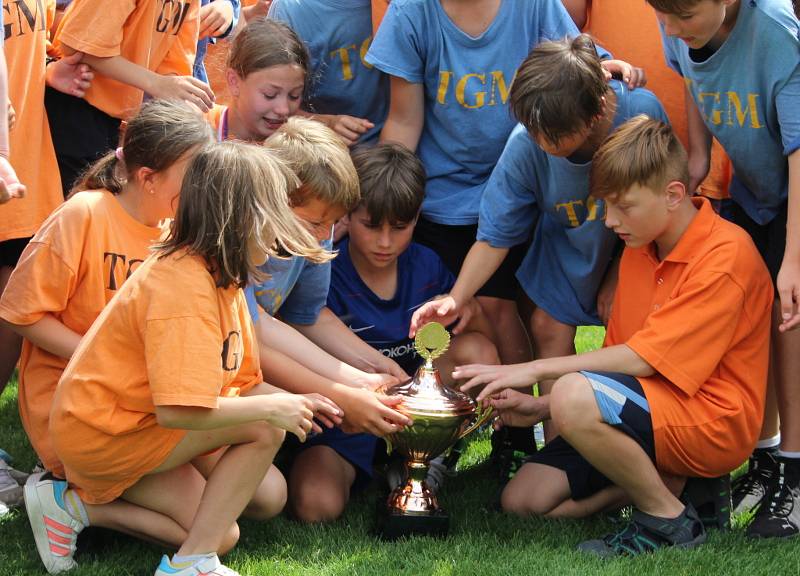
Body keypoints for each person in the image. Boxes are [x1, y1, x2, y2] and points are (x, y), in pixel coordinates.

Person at [455, 116, 772, 555]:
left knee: (572, 396)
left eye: (623, 206)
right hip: (652, 410)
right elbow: (620, 374)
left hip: (712, 420)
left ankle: (667, 519)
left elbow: (641, 360)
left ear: (673, 195)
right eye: (606, 206)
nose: (610, 222)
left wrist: (532, 371)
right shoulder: (641, 247)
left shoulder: (725, 256)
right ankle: (666, 484)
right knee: (523, 500)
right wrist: (539, 405)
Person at [24, 141, 340, 576]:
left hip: (134, 424)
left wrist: (313, 397)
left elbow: (238, 380)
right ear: (241, 222)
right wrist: (275, 406)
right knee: (247, 471)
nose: (278, 241)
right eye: (273, 224)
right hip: (105, 435)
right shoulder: (184, 285)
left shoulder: (219, 272)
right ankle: (184, 561)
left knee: (256, 498)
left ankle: (75, 509)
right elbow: (175, 409)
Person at [411, 36, 667, 444]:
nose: (541, 143)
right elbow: (494, 237)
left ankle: (642, 442)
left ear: (595, 112)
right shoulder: (526, 143)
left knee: (633, 334)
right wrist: (456, 297)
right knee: (548, 325)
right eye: (533, 131)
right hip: (564, 246)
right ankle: (559, 448)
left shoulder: (639, 112)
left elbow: (662, 214)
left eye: (553, 137)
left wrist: (620, 272)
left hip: (634, 250)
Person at [647, 0, 800, 537]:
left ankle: (796, 478)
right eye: (660, 14)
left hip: (794, 197)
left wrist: (793, 260)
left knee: (790, 323)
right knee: (750, 321)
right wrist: (698, 159)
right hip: (753, 193)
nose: (668, 28)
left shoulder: (778, 36)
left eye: (681, 16)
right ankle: (765, 457)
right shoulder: (678, 23)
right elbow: (694, 79)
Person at [0, 100, 213, 482]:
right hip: (77, 401)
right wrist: (100, 357)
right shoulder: (85, 213)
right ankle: (61, 492)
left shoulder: (177, 231)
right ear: (148, 178)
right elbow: (20, 313)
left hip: (143, 396)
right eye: (195, 176)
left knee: (264, 495)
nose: (203, 188)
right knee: (207, 519)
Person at [244, 118, 413, 522]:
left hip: (247, 364)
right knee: (270, 498)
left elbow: (304, 316)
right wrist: (341, 390)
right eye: (316, 223)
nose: (323, 235)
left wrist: (370, 369)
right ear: (275, 199)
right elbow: (251, 335)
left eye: (332, 224)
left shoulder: (314, 228)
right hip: (217, 377)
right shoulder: (236, 236)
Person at [317, 142, 499, 515]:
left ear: (417, 218)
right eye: (371, 225)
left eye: (400, 228)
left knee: (477, 351)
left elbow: (479, 333)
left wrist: (466, 309)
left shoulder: (427, 266)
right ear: (347, 214)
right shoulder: (326, 271)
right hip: (348, 412)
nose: (385, 242)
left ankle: (426, 458)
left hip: (413, 410)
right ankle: (373, 464)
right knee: (316, 504)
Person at [0, 0, 93, 466]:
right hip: (8, 168)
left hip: (24, 178)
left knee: (10, 324)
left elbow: (22, 51)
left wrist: (48, 72)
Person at [48, 0, 214, 195]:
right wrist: (155, 83)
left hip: (122, 123)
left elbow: (173, 67)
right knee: (85, 210)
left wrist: (180, 96)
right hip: (78, 104)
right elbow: (78, 45)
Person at [268, 0, 389, 145]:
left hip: (394, 144)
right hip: (318, 148)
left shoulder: (402, 5)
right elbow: (271, 105)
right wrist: (325, 123)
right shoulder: (291, 10)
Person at [206, 19, 306, 143]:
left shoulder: (297, 151)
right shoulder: (198, 130)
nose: (283, 109)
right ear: (234, 82)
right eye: (270, 95)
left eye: (294, 96)